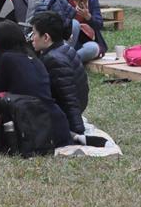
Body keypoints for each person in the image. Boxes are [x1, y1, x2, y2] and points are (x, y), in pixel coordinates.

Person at [0, 21, 72, 147]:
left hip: (32, 124)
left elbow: (0, 94)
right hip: (57, 124)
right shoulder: (33, 58)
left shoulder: (7, 58)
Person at [30, 11, 97, 143]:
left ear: (46, 37)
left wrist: (77, 131)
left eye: (34, 33)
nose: (32, 37)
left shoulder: (54, 59)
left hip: (67, 113)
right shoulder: (65, 48)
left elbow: (69, 97)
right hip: (78, 105)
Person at [37, 0, 106, 63]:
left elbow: (99, 24)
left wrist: (88, 17)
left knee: (93, 48)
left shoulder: (92, 1)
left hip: (84, 42)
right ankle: (67, 59)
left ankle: (65, 62)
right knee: (74, 24)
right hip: (66, 40)